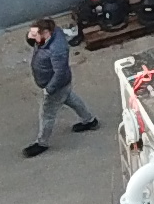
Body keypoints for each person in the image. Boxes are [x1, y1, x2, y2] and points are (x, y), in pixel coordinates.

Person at [21, 18, 100, 158]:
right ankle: (89, 121)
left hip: (55, 86)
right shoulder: (52, 33)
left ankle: (42, 143)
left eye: (35, 35)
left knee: (47, 114)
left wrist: (49, 89)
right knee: (70, 98)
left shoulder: (56, 51)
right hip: (62, 84)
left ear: (45, 32)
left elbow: (60, 72)